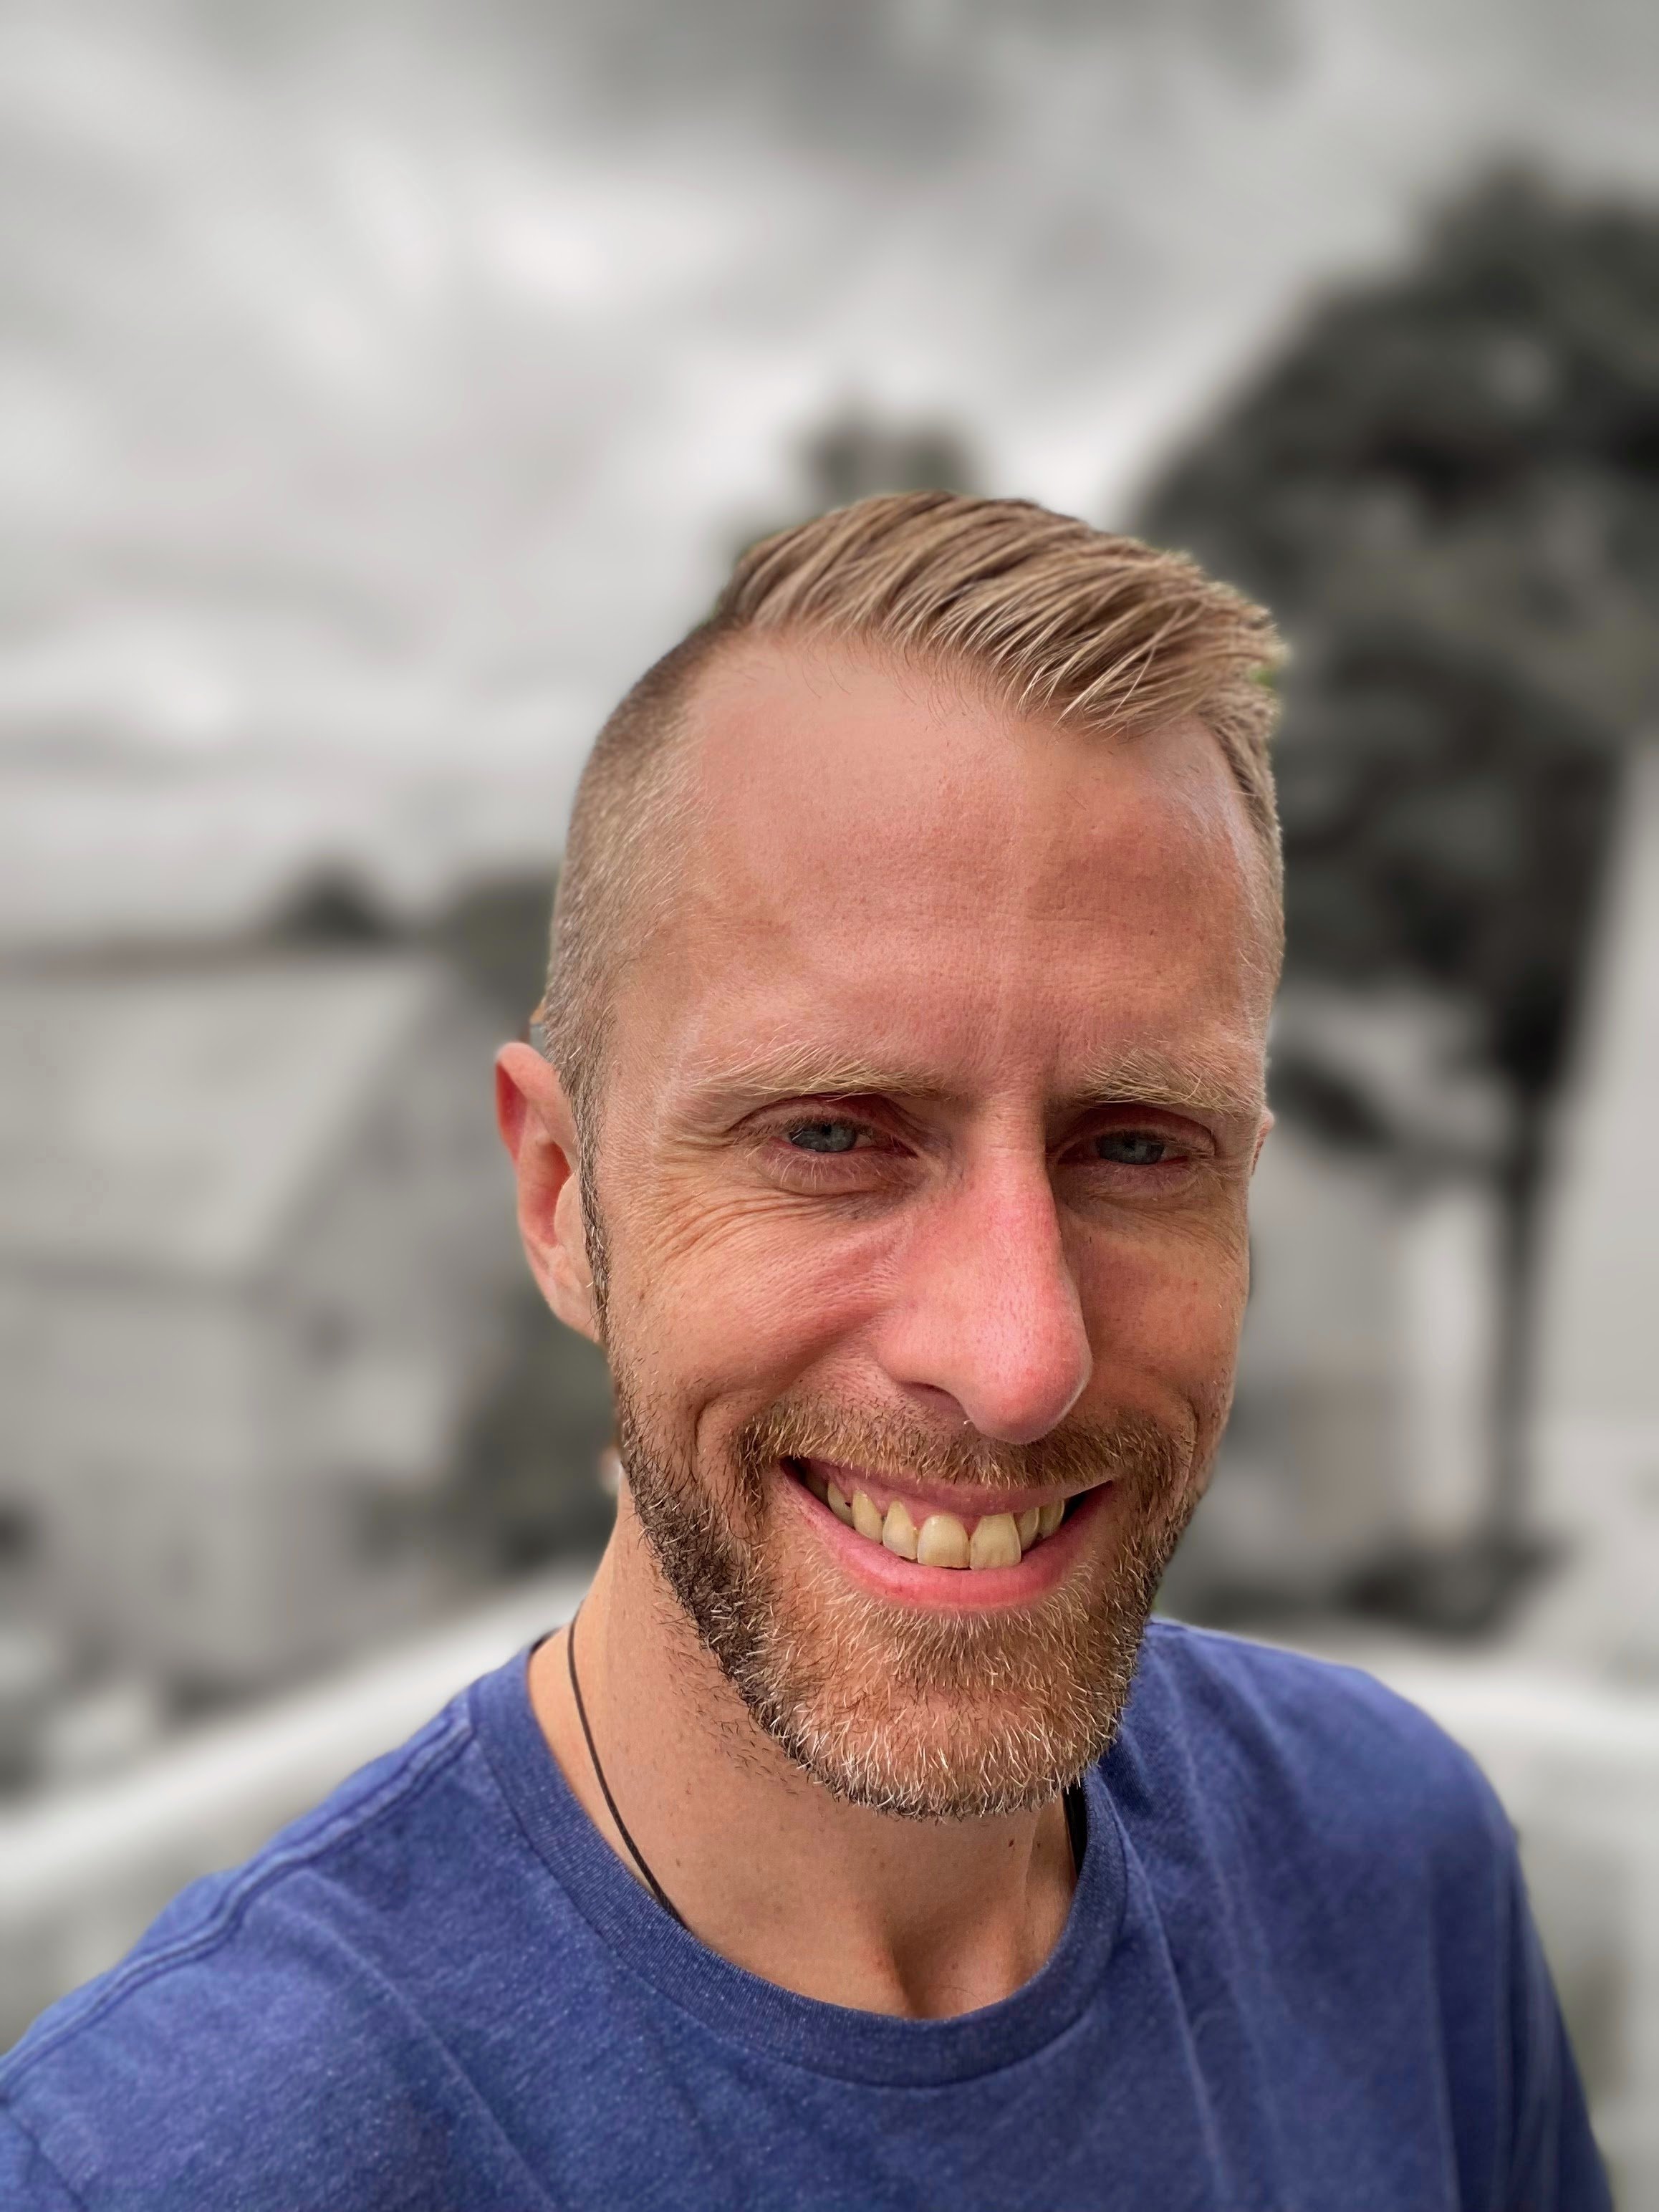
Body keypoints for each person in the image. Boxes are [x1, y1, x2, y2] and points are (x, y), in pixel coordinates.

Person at [0, 494, 1607, 2208]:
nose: (1016, 1356)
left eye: (1139, 1144)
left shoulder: (1393, 1863)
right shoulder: (174, 2163)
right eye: (833, 1135)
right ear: (560, 1197)